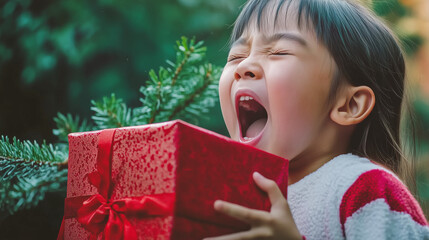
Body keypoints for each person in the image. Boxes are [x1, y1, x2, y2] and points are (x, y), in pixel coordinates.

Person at [206, 0, 429, 239]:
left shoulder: (367, 189)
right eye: (236, 56)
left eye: (279, 52)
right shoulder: (234, 196)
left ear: (349, 105)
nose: (244, 66)